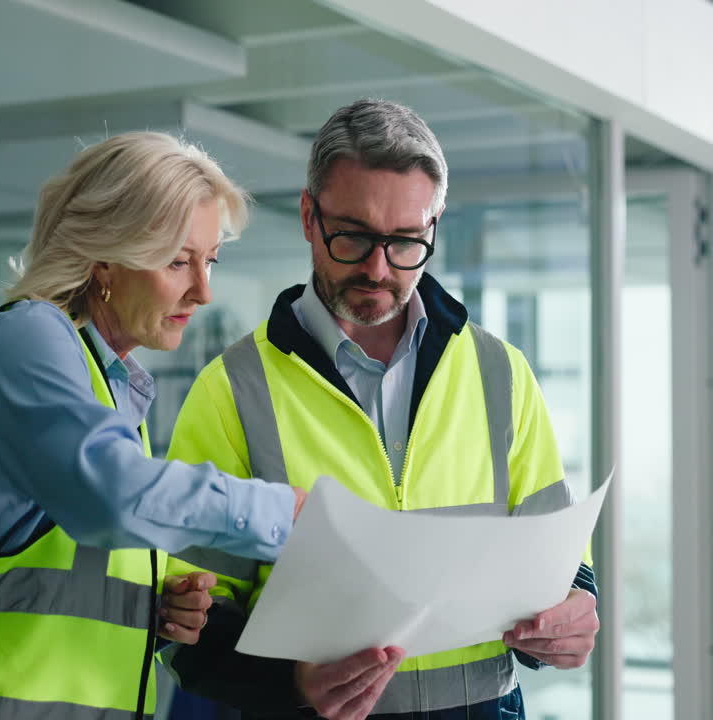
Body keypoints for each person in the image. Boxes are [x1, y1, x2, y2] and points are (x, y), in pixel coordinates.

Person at [163, 100, 599, 719]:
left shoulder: (501, 373)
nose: (378, 267)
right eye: (355, 236)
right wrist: (289, 684)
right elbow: (183, 624)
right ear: (310, 216)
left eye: (405, 242)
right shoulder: (232, 389)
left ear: (435, 225)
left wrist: (575, 610)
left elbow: (559, 558)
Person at [0, 131, 306, 720]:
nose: (203, 291)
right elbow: (113, 496)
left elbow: (46, 587)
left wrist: (144, 609)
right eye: (178, 261)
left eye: (209, 261)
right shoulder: (28, 335)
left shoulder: (112, 386)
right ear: (104, 258)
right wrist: (286, 515)